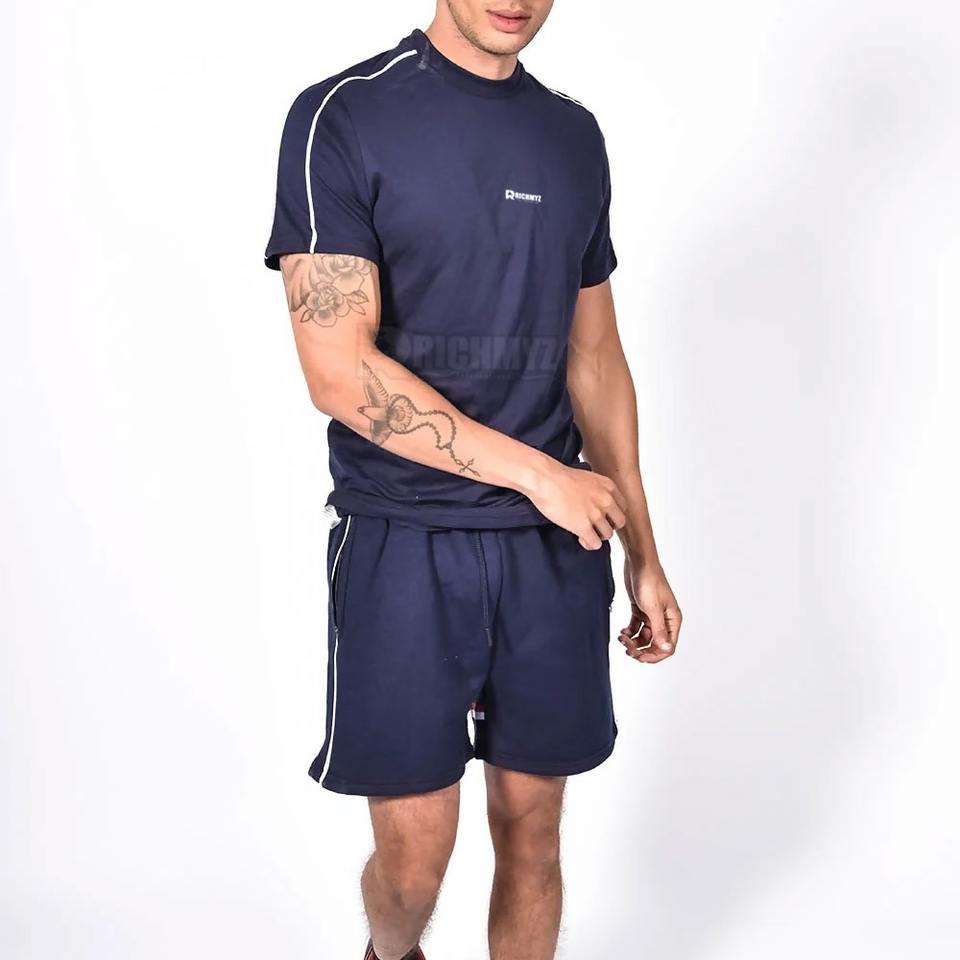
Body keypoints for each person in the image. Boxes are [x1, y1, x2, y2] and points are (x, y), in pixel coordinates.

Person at [264, 2, 682, 958]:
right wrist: (542, 477)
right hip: (404, 535)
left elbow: (595, 358)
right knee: (414, 864)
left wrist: (644, 553)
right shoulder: (344, 115)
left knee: (534, 834)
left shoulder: (572, 136)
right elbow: (338, 371)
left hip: (553, 549)